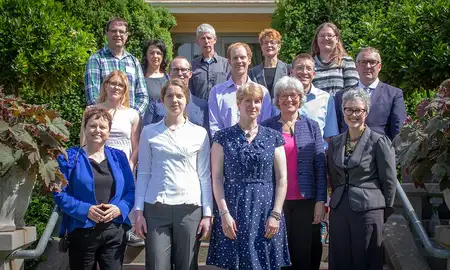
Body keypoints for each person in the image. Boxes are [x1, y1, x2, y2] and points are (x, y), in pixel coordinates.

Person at [206, 82, 291, 270]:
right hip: (234, 210)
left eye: (257, 101)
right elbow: (217, 178)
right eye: (248, 101)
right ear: (238, 103)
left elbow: (282, 178)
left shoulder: (273, 137)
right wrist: (224, 214)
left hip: (265, 209)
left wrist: (276, 214)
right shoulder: (222, 137)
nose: (253, 106)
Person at [134, 78, 213, 270]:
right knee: (156, 265)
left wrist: (208, 214)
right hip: (155, 208)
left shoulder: (200, 133)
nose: (174, 100)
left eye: (179, 96)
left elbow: (205, 176)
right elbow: (143, 173)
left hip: (189, 210)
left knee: (186, 266)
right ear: (162, 100)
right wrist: (138, 212)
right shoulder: (148, 132)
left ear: (186, 99)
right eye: (169, 96)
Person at [53, 107, 135, 269]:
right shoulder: (68, 158)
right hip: (82, 231)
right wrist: (86, 210)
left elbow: (130, 191)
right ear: (84, 128)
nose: (98, 130)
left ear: (109, 131)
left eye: (103, 127)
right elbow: (59, 193)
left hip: (114, 231)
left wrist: (119, 209)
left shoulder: (119, 157)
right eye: (93, 126)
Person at [327, 88, 397, 270]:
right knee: (340, 260)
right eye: (349, 110)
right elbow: (334, 176)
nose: (353, 114)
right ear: (343, 112)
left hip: (369, 211)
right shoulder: (335, 142)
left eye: (359, 110)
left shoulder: (379, 141)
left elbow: (389, 180)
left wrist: (384, 209)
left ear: (366, 112)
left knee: (366, 260)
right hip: (339, 209)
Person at [262, 76, 327, 270]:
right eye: (284, 96)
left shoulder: (311, 127)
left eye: (294, 95)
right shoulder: (266, 127)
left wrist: (320, 201)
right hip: (276, 202)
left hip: (305, 200)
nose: (289, 100)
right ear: (277, 99)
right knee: (278, 253)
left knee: (302, 254)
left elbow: (320, 165)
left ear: (301, 98)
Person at [290, 53, 339, 269]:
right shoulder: (282, 96)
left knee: (312, 231)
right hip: (288, 172)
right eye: (299, 68)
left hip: (315, 170)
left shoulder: (325, 99)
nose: (303, 72)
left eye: (308, 68)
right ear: (292, 71)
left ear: (314, 73)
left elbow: (330, 138)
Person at [335, 47, 407, 140]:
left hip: (379, 151)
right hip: (348, 151)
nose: (368, 66)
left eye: (372, 62)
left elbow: (399, 131)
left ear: (379, 66)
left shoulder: (394, 94)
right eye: (363, 62)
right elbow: (336, 129)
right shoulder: (341, 96)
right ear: (356, 66)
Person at [85, 17, 148, 116]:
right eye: (114, 31)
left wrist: (131, 115)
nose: (118, 34)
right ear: (107, 33)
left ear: (126, 36)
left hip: (128, 122)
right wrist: (106, 115)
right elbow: (92, 95)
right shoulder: (96, 59)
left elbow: (142, 95)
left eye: (121, 32)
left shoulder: (134, 61)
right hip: (103, 121)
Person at [209, 42, 272, 137]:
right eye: (235, 58)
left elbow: (265, 124)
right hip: (226, 147)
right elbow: (215, 126)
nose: (239, 61)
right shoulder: (216, 92)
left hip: (255, 147)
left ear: (249, 60)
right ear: (229, 61)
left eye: (242, 57)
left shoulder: (262, 92)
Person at [143, 56, 209, 132]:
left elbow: (206, 139)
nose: (180, 73)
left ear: (190, 74)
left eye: (184, 70)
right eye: (175, 70)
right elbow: (147, 136)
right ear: (169, 73)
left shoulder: (203, 107)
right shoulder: (154, 107)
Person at [311, 22, 359, 96]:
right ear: (317, 39)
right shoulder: (310, 63)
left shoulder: (346, 61)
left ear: (336, 39)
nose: (326, 38)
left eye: (330, 35)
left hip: (340, 106)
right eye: (322, 36)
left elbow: (353, 90)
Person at [190, 23, 230, 101]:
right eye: (203, 38)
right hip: (199, 110)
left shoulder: (226, 64)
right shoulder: (192, 66)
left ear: (214, 40)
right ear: (198, 41)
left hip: (220, 111)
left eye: (209, 38)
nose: (206, 41)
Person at [249, 28, 290, 98]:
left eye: (272, 42)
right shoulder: (253, 72)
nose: (269, 45)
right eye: (265, 43)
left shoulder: (288, 69)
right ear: (261, 47)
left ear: (279, 46)